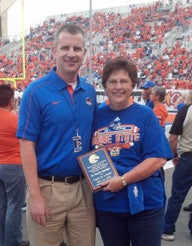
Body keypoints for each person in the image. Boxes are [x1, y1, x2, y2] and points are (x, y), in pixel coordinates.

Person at [16, 24, 96, 246]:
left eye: (77, 49)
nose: (71, 54)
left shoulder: (89, 91)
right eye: (65, 48)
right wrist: (35, 196)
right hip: (47, 188)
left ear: (84, 53)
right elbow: (26, 145)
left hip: (82, 187)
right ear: (54, 51)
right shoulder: (36, 91)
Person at [91, 56, 173, 246]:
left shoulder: (145, 115)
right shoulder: (95, 116)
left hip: (144, 203)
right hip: (108, 204)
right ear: (105, 86)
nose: (118, 87)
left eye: (124, 81)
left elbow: (158, 158)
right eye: (113, 81)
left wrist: (123, 180)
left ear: (133, 85)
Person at [0, 84, 29, 246]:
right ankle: (13, 242)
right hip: (13, 164)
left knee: (1, 206)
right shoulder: (15, 120)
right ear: (11, 101)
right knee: (14, 206)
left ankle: (4, 241)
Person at [161, 98, 192, 241]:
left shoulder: (186, 110)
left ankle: (168, 229)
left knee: (177, 196)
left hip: (188, 158)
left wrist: (174, 155)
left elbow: (173, 138)